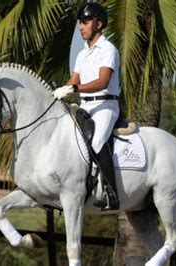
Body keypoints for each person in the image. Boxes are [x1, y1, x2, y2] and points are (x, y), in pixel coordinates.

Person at [52, 2, 120, 211]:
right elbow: (73, 80)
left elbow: (102, 82)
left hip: (106, 105)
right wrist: (59, 92)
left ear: (98, 23)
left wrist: (73, 88)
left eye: (85, 22)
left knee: (97, 142)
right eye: (80, 23)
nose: (81, 27)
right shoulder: (82, 54)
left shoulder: (108, 49)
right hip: (85, 105)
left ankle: (111, 193)